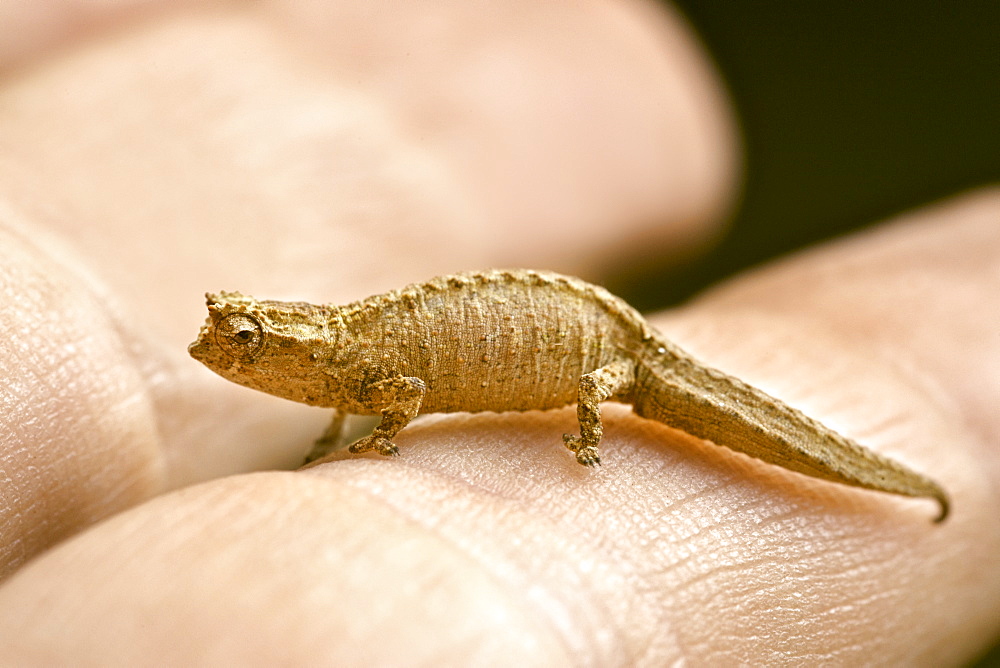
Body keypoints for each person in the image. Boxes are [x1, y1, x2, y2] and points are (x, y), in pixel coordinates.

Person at [0, 1, 996, 664]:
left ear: (288, 342)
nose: (227, 351)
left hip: (600, 355)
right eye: (238, 338)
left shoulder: (357, 357)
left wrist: (383, 434)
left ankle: (874, 472)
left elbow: (391, 395)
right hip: (577, 351)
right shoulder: (346, 354)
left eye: (248, 338)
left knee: (715, 411)